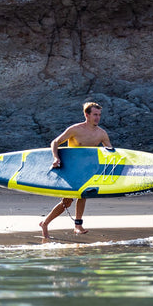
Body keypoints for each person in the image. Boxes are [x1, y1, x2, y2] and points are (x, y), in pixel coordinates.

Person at [39, 102, 112, 239]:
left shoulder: (101, 134)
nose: (97, 118)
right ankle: (45, 223)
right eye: (95, 114)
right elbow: (55, 142)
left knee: (83, 195)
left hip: (86, 168)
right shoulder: (75, 129)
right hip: (70, 168)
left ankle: (77, 225)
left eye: (99, 115)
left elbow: (110, 152)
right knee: (67, 201)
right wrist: (55, 158)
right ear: (87, 115)